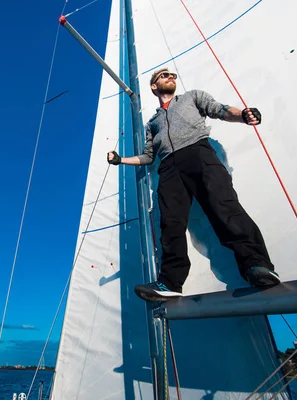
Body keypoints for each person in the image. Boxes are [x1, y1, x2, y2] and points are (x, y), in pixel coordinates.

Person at [107, 67, 280, 301]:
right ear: (154, 86)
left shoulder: (192, 97)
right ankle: (170, 283)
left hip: (198, 153)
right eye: (164, 75)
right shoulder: (152, 123)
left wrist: (243, 115)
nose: (171, 77)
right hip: (168, 166)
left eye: (173, 76)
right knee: (170, 223)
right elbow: (148, 156)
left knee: (223, 207)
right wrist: (120, 160)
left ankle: (257, 266)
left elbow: (220, 110)